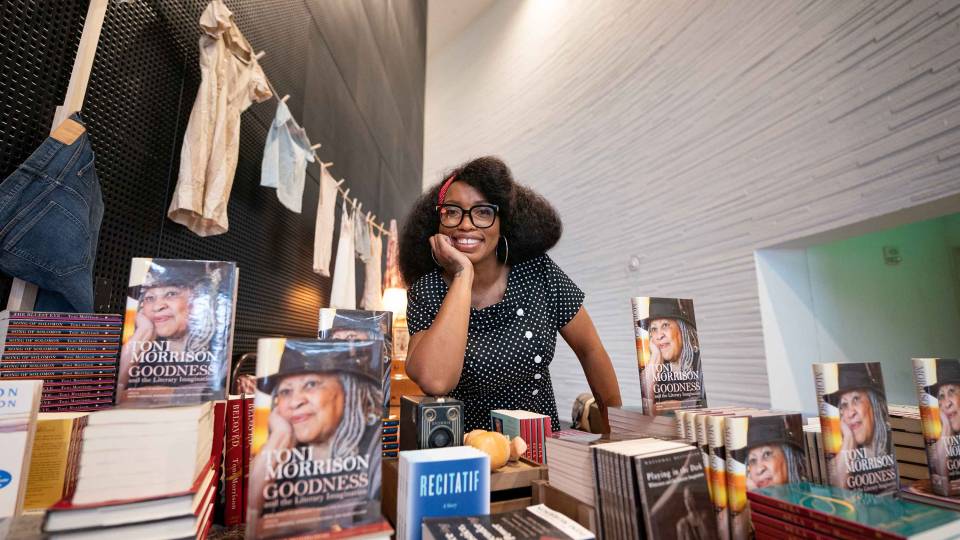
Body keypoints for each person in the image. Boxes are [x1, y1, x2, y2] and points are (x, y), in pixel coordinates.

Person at [399, 156, 621, 432]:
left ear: (502, 222)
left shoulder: (538, 272)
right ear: (438, 222)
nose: (465, 224)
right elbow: (435, 380)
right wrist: (462, 274)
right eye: (452, 211)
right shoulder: (428, 290)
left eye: (483, 212)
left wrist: (616, 432)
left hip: (543, 446)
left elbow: (591, 350)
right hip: (470, 449)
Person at [248, 341, 381, 532]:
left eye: (311, 384)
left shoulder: (376, 441)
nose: (295, 402)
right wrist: (278, 439)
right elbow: (251, 514)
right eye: (286, 391)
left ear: (347, 389)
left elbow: (372, 512)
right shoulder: (286, 447)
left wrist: (290, 521)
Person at [117, 260, 223, 398]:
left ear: (197, 300)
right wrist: (143, 333)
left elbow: (215, 394)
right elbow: (112, 393)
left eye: (171, 294)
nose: (157, 306)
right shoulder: (143, 353)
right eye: (149, 298)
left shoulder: (218, 351)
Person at [822, 363, 891, 489]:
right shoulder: (843, 453)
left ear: (874, 405)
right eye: (844, 405)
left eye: (856, 399)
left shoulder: (893, 446)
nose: (850, 413)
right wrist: (848, 439)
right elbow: (838, 492)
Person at [637, 298, 701, 405]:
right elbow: (645, 405)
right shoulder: (657, 368)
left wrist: (671, 407)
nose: (659, 336)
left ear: (682, 329)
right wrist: (655, 357)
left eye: (665, 325)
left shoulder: (700, 362)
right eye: (654, 329)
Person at [922, 361, 960, 477]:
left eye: (952, 392)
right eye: (941, 396)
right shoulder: (945, 433)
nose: (946, 404)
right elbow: (942, 477)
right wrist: (946, 428)